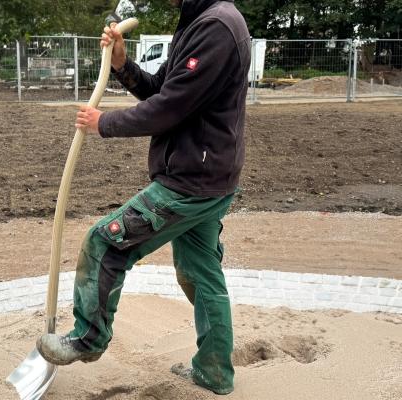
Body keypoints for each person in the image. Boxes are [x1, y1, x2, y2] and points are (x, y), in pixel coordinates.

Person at [37, 0, 250, 395]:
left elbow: (171, 107)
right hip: (208, 176)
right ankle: (214, 372)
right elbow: (159, 88)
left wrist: (105, 123)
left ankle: (88, 339)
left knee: (106, 242)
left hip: (190, 181)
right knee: (201, 273)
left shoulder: (217, 27)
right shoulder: (199, 21)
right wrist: (122, 64)